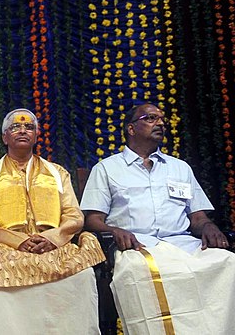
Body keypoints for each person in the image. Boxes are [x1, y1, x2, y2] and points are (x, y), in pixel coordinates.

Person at [81, 103, 235, 334]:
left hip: (183, 244)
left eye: (161, 119)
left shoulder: (179, 168)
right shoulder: (107, 168)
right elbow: (92, 219)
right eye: (151, 118)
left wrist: (209, 227)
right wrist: (114, 230)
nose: (161, 123)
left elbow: (197, 215)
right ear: (131, 129)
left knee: (226, 262)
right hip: (137, 246)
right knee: (137, 272)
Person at [0, 108, 104, 334]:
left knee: (83, 273)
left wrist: (52, 238)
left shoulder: (57, 173)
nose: (22, 130)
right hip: (4, 248)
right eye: (15, 127)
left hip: (52, 245)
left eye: (29, 127)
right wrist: (18, 240)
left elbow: (74, 215)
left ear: (36, 135)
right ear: (4, 137)